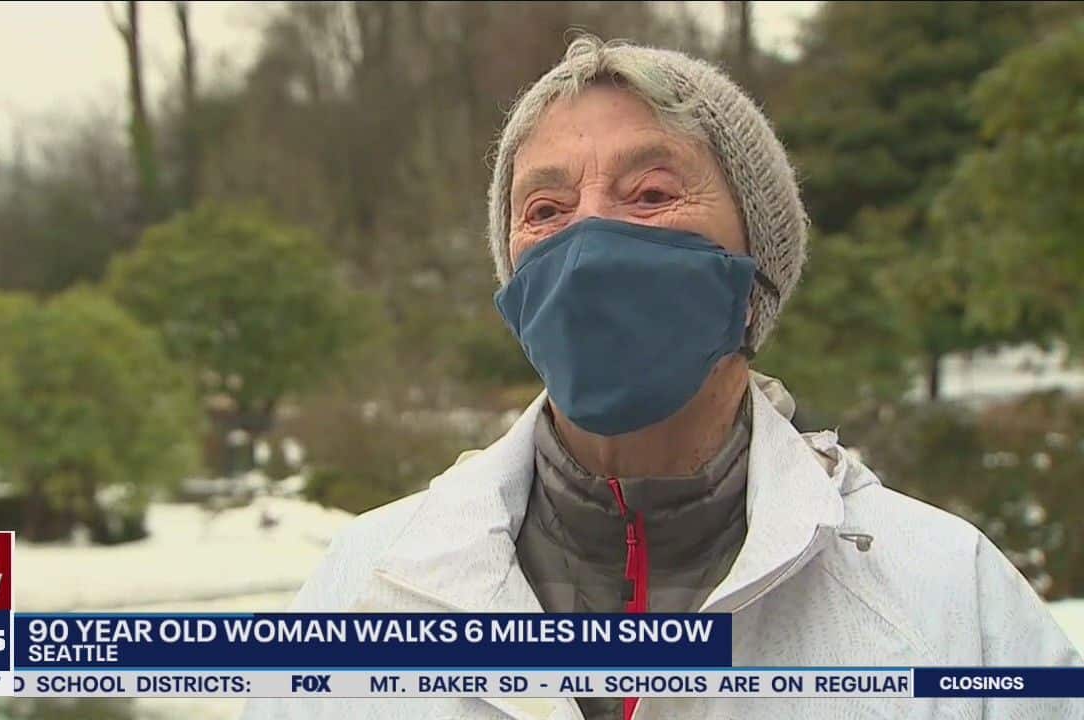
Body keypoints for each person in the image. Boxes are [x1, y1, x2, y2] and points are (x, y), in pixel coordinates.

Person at [242, 35, 1082, 720]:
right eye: (545, 209)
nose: (592, 237)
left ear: (755, 269)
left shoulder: (947, 599)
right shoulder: (366, 589)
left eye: (649, 193)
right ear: (514, 289)